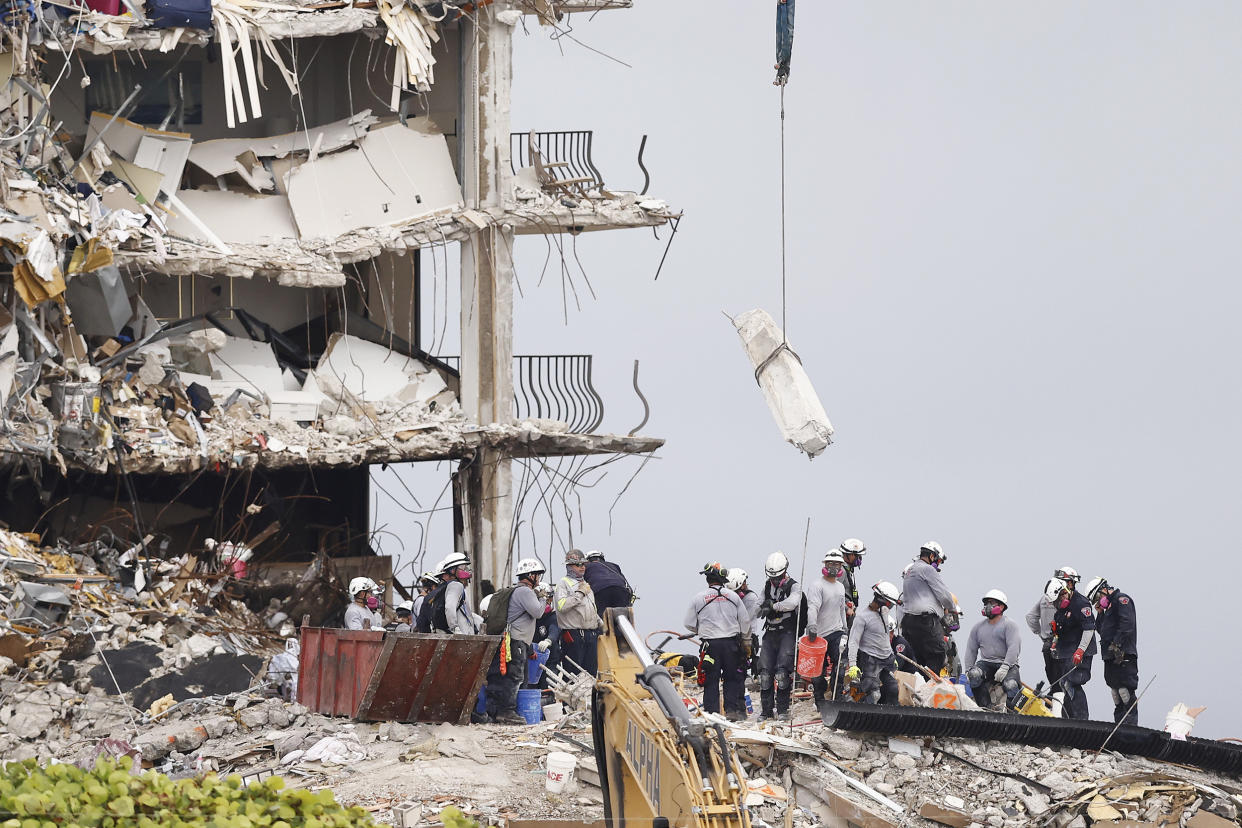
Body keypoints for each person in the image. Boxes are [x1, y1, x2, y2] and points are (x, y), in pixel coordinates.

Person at [485, 558, 547, 725]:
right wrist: (543, 598)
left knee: (501, 677)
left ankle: (495, 712)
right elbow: (538, 612)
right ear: (530, 575)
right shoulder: (525, 592)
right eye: (537, 575)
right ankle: (507, 712)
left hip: (513, 641)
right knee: (514, 677)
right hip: (516, 641)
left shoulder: (516, 592)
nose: (539, 579)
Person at [684, 562, 748, 719]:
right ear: (723, 579)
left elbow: (688, 623)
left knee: (711, 680)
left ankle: (712, 714)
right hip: (732, 644)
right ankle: (731, 711)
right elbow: (745, 622)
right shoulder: (733, 596)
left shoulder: (698, 598)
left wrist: (703, 630)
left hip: (711, 646)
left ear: (707, 579)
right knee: (731, 678)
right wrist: (746, 642)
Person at [1085, 577, 1139, 725]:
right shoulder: (1107, 608)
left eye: (1097, 597)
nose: (1097, 600)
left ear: (1104, 589)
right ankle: (1119, 725)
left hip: (1123, 653)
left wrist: (1117, 643)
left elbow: (1127, 624)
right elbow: (1101, 630)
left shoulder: (1122, 600)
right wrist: (1100, 613)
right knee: (1115, 691)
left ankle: (1130, 726)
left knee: (1125, 690)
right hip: (1109, 655)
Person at [757, 551, 802, 721]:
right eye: (772, 577)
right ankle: (766, 711)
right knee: (765, 674)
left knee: (782, 673)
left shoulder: (794, 586)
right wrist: (760, 608)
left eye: (778, 577)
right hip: (770, 632)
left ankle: (783, 710)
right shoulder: (767, 587)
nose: (775, 581)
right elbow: (756, 606)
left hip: (787, 633)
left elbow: (792, 603)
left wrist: (774, 606)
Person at [900, 541, 956, 675]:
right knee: (937, 655)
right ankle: (926, 688)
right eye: (938, 560)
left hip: (908, 622)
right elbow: (945, 596)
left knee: (917, 659)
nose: (938, 564)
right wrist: (952, 610)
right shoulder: (927, 569)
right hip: (925, 622)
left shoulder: (910, 570)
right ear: (932, 556)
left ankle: (916, 686)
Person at [963, 589, 1022, 709]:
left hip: (1008, 665)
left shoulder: (1010, 625)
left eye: (992, 603)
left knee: (1011, 685)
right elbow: (971, 650)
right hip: (987, 663)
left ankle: (1012, 712)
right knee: (974, 674)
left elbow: (1014, 647)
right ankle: (986, 707)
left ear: (1002, 606)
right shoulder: (978, 627)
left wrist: (1005, 666)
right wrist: (968, 669)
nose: (988, 606)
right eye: (987, 603)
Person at [1048, 576, 1096, 720]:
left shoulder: (1080, 603)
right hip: (1067, 651)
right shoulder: (1061, 610)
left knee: (1073, 682)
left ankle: (1082, 719)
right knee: (1064, 684)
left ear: (1063, 592)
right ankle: (1067, 719)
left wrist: (1080, 650)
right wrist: (1055, 641)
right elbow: (1060, 629)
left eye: (1057, 600)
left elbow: (1089, 629)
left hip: (1081, 651)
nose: (1056, 604)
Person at [844, 581, 900, 705]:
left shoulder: (884, 612)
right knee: (873, 693)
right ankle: (852, 705)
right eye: (890, 603)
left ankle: (893, 717)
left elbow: (884, 635)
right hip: (870, 659)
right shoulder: (862, 617)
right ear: (882, 600)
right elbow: (853, 641)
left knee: (893, 688)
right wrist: (852, 664)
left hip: (886, 659)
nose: (890, 606)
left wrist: (891, 654)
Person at [804, 549, 849, 702]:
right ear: (825, 564)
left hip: (836, 631)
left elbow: (842, 609)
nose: (834, 567)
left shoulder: (840, 587)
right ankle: (819, 699)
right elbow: (813, 607)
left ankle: (837, 697)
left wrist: (845, 628)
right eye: (831, 564)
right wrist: (812, 626)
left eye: (837, 564)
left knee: (841, 664)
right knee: (818, 673)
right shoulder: (817, 585)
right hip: (819, 635)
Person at [554, 549, 602, 676]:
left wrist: (601, 623)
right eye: (578, 564)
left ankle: (588, 696)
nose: (582, 567)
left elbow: (591, 609)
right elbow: (561, 606)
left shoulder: (585, 584)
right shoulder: (563, 583)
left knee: (591, 673)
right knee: (573, 673)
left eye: (583, 564)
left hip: (590, 634)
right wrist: (579, 594)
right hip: (573, 635)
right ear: (569, 566)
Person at [1026, 576, 1064, 687]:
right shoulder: (1064, 600)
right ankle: (1060, 702)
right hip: (1061, 644)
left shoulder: (1044, 598)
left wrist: (1041, 634)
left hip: (1048, 643)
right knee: (1064, 681)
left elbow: (1030, 617)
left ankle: (1055, 700)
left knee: (1053, 680)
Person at [727, 567, 761, 678]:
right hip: (734, 636)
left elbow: (745, 622)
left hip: (747, 638)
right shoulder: (732, 598)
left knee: (741, 668)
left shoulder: (750, 598)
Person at [837, 538, 866, 621]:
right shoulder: (842, 570)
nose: (859, 559)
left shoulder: (848, 570)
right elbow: (833, 594)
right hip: (840, 616)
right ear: (850, 555)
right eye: (858, 556)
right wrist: (847, 608)